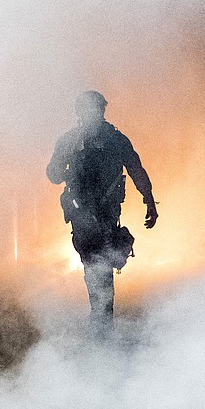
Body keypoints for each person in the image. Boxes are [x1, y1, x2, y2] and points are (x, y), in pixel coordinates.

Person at [47, 91, 158, 336]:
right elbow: (53, 174)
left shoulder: (113, 139)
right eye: (88, 110)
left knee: (101, 266)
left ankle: (102, 322)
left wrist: (149, 199)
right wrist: (68, 171)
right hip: (82, 214)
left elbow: (136, 169)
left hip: (105, 214)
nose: (92, 115)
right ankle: (101, 320)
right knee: (95, 265)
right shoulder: (73, 140)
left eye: (95, 110)